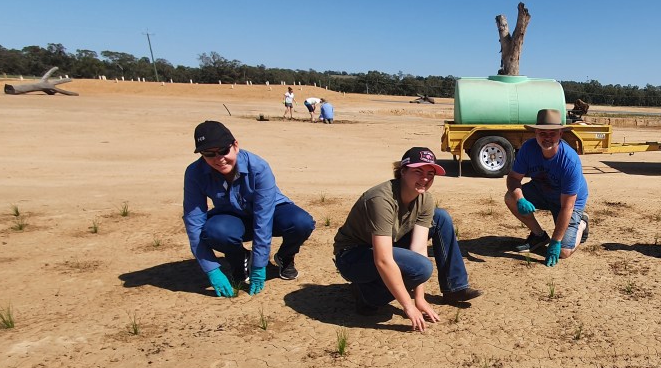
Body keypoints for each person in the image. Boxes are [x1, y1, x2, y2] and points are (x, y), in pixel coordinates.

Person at [334, 147, 482, 332]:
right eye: (418, 171)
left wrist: (419, 298)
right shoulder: (381, 200)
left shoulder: (425, 199)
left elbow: (418, 250)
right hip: (353, 256)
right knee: (420, 268)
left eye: (430, 174)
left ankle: (454, 288)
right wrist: (408, 305)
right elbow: (383, 260)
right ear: (402, 171)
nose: (425, 179)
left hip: (389, 244)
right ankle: (367, 294)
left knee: (440, 218)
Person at [183, 120, 317, 297]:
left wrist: (259, 265)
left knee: (301, 222)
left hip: (270, 212)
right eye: (209, 154)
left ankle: (285, 256)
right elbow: (194, 222)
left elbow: (264, 219)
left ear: (235, 146)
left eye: (223, 151)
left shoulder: (258, 167)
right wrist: (211, 269)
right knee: (215, 231)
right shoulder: (194, 173)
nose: (219, 158)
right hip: (232, 217)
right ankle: (239, 260)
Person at [504, 108, 590, 267]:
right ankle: (539, 236)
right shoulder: (528, 149)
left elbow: (567, 206)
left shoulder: (569, 161)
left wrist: (556, 241)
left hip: (568, 202)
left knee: (563, 252)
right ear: (535, 133)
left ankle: (582, 223)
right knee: (511, 197)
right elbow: (513, 178)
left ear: (560, 134)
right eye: (542, 133)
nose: (547, 138)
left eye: (552, 133)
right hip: (542, 190)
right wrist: (520, 199)